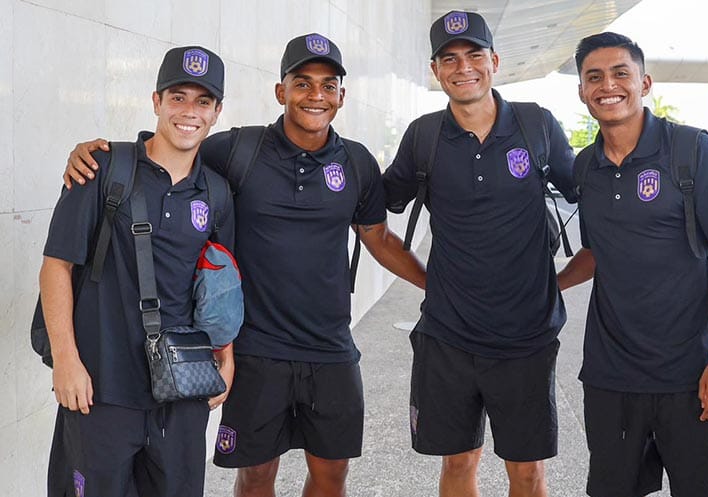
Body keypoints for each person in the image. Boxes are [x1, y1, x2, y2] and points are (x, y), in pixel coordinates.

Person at [64, 33, 426, 497]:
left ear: (342, 95)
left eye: (328, 85)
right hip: (257, 350)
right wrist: (97, 154)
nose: (315, 95)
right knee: (255, 476)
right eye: (302, 83)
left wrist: (434, 284)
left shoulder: (357, 163)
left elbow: (379, 239)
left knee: (333, 474)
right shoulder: (238, 150)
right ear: (281, 91)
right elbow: (174, 145)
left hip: (330, 347)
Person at [382, 11, 576, 497]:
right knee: (458, 463)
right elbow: (373, 209)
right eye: (449, 59)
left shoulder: (536, 125)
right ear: (435, 70)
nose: (463, 67)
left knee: (527, 472)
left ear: (494, 61)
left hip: (526, 338)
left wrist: (557, 282)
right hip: (449, 336)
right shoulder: (424, 136)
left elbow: (593, 196)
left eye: (474, 55)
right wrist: (429, 281)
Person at [557, 32, 708, 497]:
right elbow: (598, 251)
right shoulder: (586, 167)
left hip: (693, 372)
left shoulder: (690, 150)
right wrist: (549, 284)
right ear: (582, 91)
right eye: (594, 77)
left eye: (620, 73)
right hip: (611, 376)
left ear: (644, 83)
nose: (608, 85)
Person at [40, 46, 234, 497]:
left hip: (182, 392)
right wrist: (65, 361)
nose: (189, 112)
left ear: (217, 112)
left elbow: (221, 285)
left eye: (203, 101)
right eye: (178, 97)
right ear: (156, 101)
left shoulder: (217, 193)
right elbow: (56, 266)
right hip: (100, 388)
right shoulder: (104, 168)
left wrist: (228, 358)